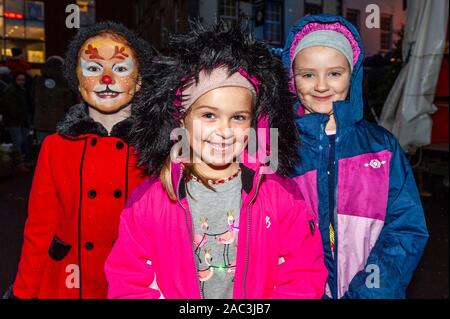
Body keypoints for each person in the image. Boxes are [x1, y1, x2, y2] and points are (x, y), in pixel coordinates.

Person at [104, 21, 328, 299]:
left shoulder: (279, 195)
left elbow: (303, 273)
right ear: (181, 119)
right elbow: (128, 280)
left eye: (238, 117)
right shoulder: (150, 200)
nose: (224, 130)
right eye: (209, 115)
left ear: (254, 124)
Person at [282, 14, 429, 298]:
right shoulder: (283, 150)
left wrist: (371, 290)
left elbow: (405, 228)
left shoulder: (381, 148)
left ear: (353, 74)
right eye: (308, 74)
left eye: (335, 73)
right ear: (292, 78)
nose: (321, 86)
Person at [7, 22, 154, 299]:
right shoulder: (55, 147)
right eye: (93, 68)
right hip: (69, 283)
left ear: (139, 80)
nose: (106, 79)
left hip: (135, 284)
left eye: (120, 68)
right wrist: (22, 292)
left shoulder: (156, 147)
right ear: (76, 78)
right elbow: (38, 230)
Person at [32, 56, 77, 144]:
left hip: (40, 121)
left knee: (42, 148)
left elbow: (32, 100)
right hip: (58, 121)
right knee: (57, 149)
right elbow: (69, 103)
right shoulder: (63, 83)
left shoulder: (38, 81)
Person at [0, 69, 33, 172]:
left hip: (21, 121)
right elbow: (11, 108)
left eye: (23, 80)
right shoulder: (11, 90)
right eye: (19, 80)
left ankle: (21, 163)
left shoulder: (21, 89)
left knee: (21, 141)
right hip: (14, 121)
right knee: (18, 142)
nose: (21, 82)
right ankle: (19, 164)